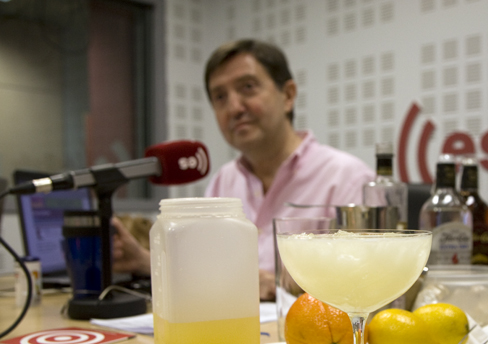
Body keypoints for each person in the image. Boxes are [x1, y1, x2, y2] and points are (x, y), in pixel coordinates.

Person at [113, 39, 374, 300]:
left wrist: (283, 285)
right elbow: (203, 271)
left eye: (247, 87)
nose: (234, 108)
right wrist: (142, 260)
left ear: (288, 95)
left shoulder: (348, 178)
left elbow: (369, 285)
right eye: (220, 97)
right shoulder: (223, 181)